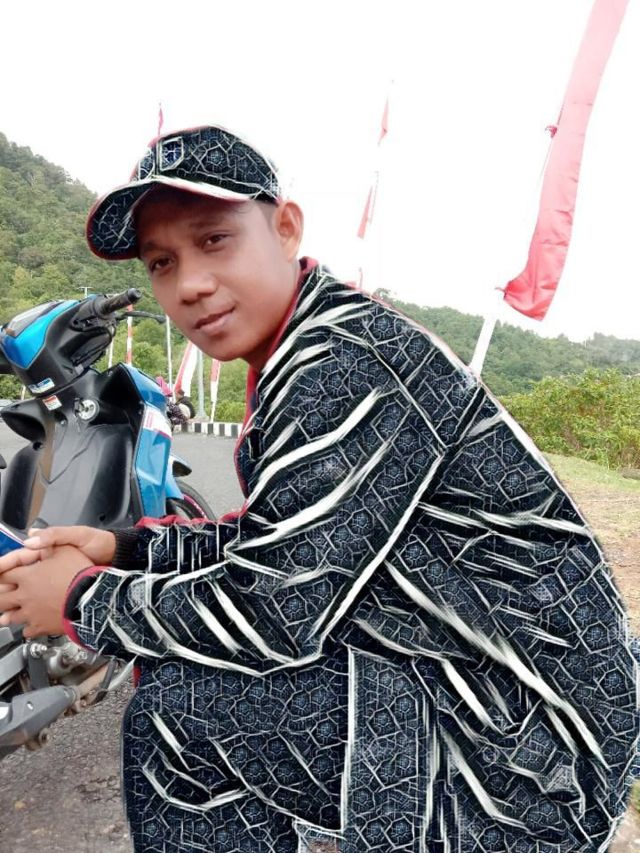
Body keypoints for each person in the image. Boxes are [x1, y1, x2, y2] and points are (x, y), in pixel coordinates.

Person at [0, 124, 636, 853]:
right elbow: (279, 540)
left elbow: (276, 610)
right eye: (163, 262)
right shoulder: (310, 343)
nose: (190, 284)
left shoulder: (344, 363)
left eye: (214, 240)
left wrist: (79, 599)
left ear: (285, 228)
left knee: (183, 710)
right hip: (487, 696)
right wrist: (125, 550)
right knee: (196, 677)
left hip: (532, 764)